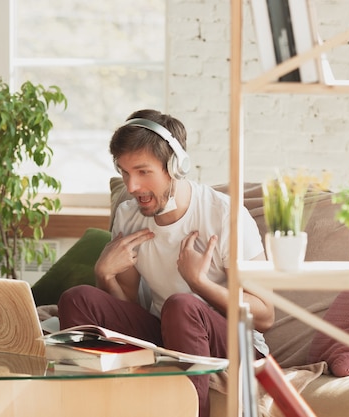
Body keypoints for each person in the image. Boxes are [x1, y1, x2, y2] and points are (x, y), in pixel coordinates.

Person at [58, 109, 275, 417]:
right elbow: (127, 308)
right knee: (77, 298)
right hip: (166, 334)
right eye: (124, 172)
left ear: (175, 165)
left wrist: (201, 284)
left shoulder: (224, 215)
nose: (131, 186)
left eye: (143, 172)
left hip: (234, 343)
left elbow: (265, 315)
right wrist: (104, 275)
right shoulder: (128, 215)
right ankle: (90, 409)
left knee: (181, 305)